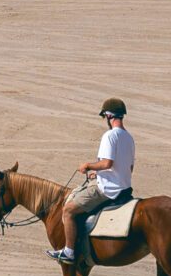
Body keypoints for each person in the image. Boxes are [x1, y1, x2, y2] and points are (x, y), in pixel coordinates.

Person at [48, 98, 135, 263]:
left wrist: (88, 166)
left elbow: (107, 163)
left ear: (109, 116)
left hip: (107, 190)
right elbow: (128, 168)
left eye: (105, 117)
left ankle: (69, 251)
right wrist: (98, 174)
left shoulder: (110, 136)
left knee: (68, 210)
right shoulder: (129, 138)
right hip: (124, 187)